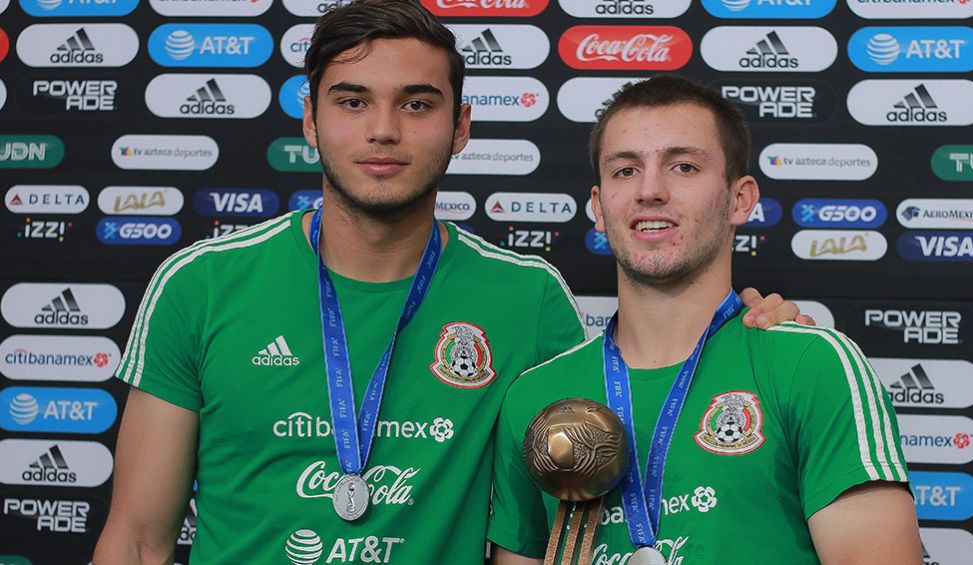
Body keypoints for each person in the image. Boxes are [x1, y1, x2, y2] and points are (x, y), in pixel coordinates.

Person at [93, 3, 807, 563]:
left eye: (416, 103)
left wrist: (749, 343)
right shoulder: (202, 284)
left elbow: (633, 437)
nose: (382, 130)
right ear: (309, 120)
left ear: (460, 125)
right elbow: (136, 541)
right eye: (350, 102)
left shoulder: (527, 299)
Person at [489, 75, 922, 565]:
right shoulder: (535, 395)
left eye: (684, 166)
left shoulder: (811, 364)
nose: (650, 190)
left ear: (740, 199)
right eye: (626, 170)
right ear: (598, 206)